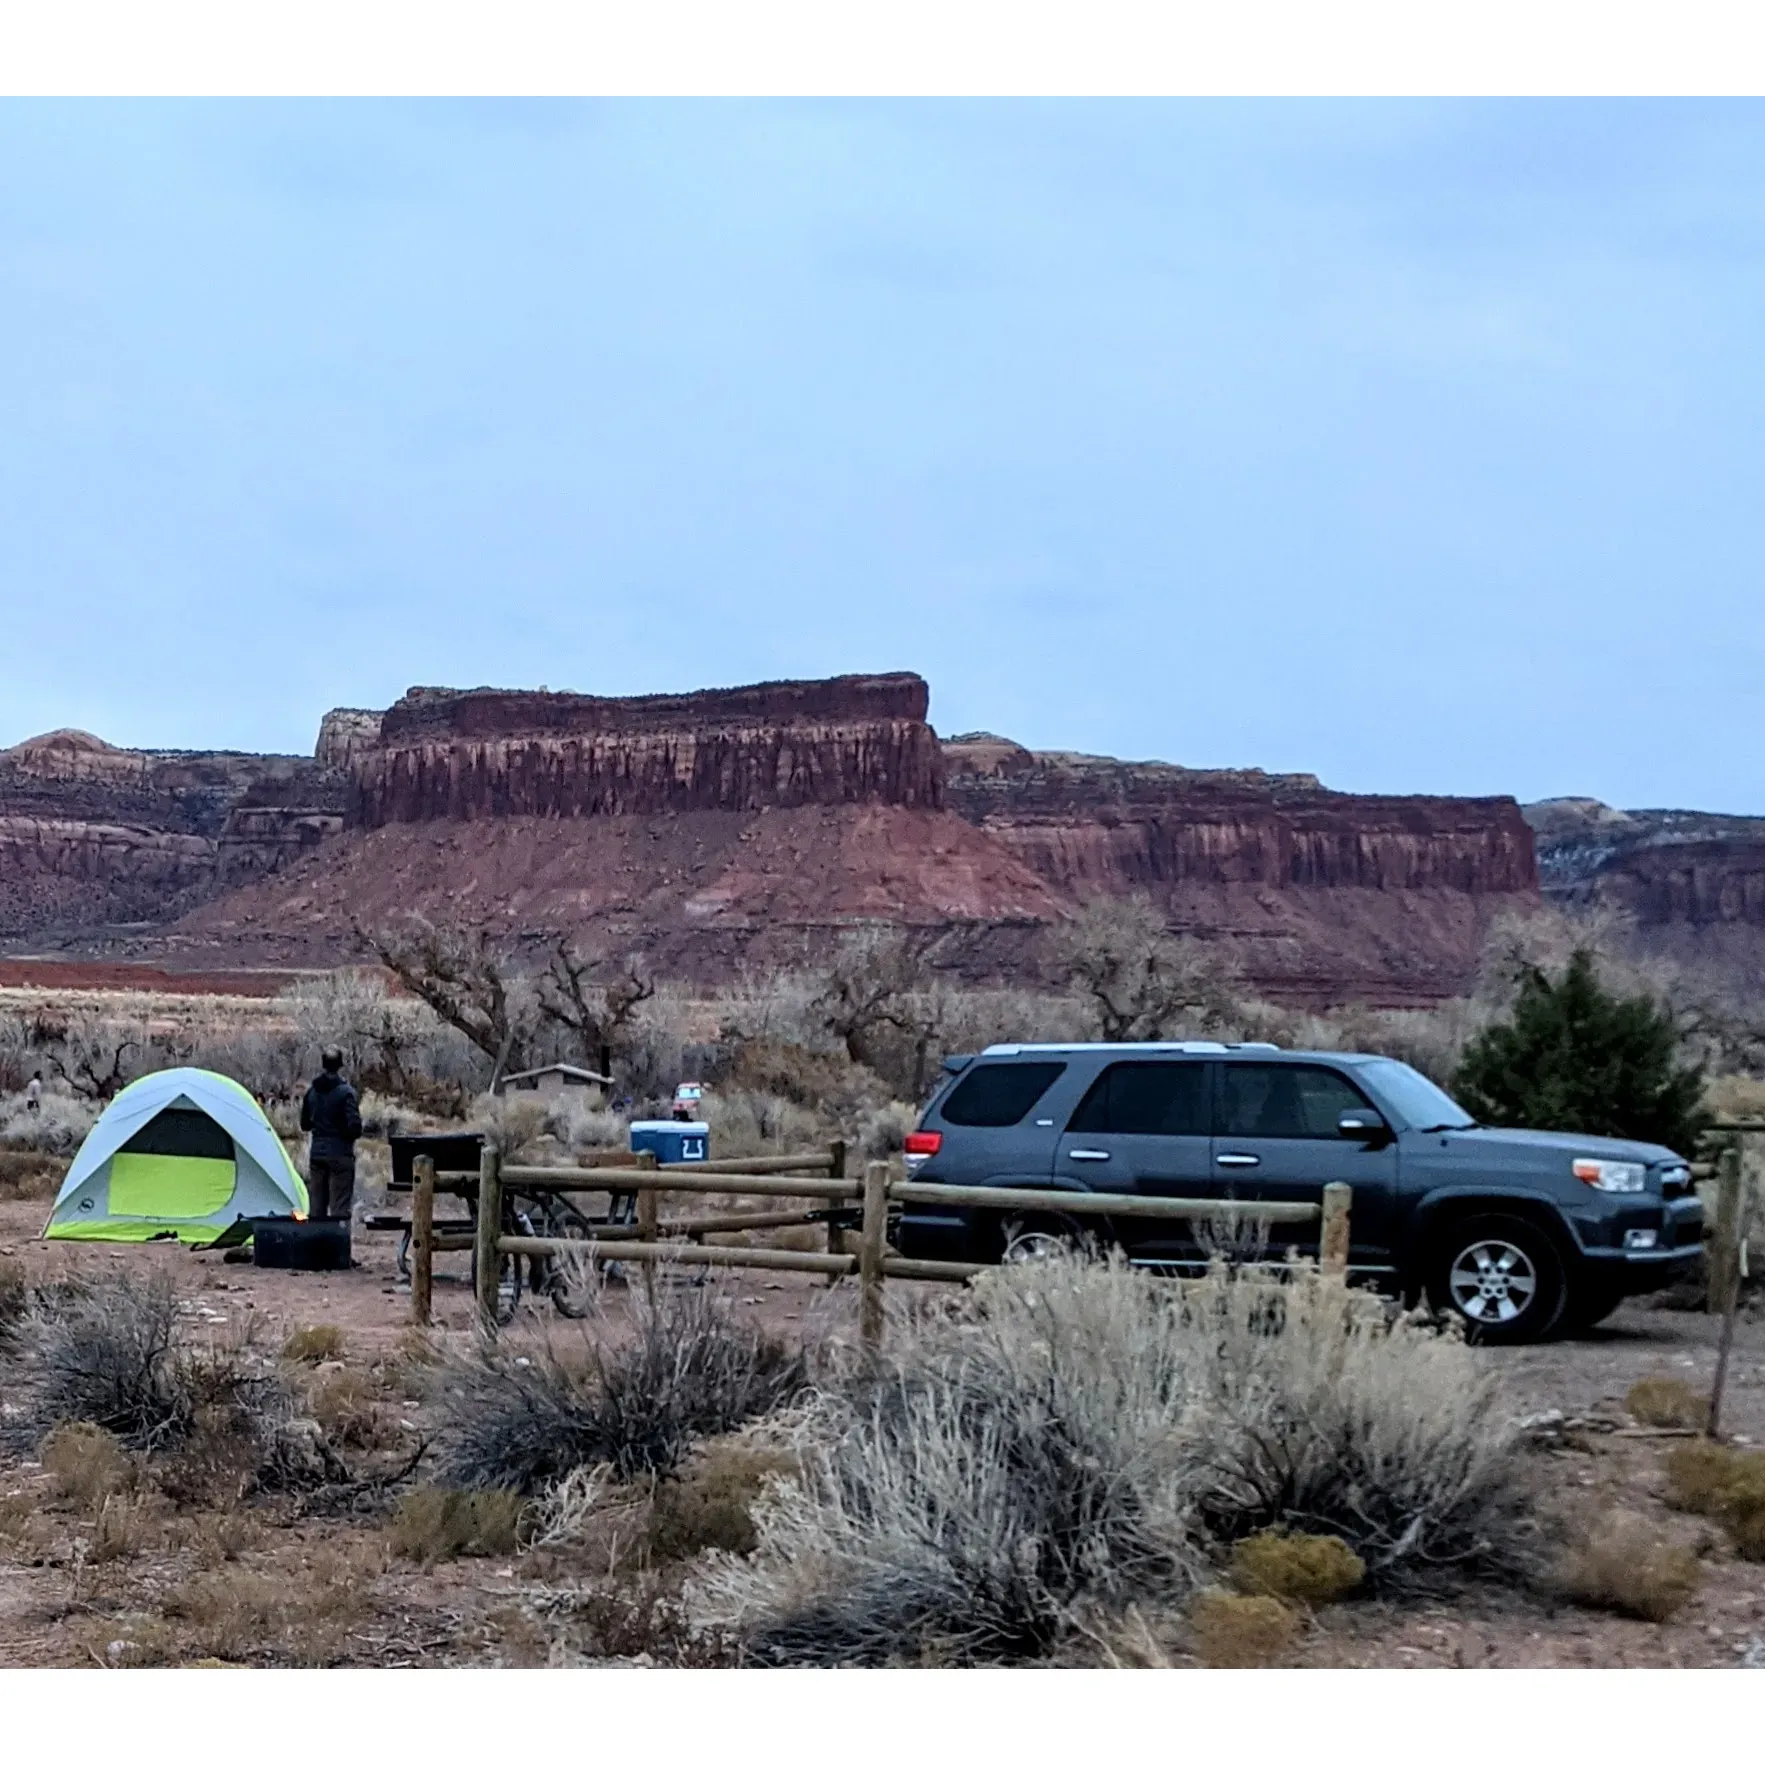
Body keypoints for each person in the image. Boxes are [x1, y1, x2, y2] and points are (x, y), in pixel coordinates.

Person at [299, 1046, 362, 1243]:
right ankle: (338, 1252)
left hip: (317, 1154)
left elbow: (304, 1124)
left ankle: (315, 1250)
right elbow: (355, 1127)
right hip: (340, 1155)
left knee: (317, 1207)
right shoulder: (346, 1093)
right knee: (340, 1208)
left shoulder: (311, 1093)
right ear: (340, 1065)